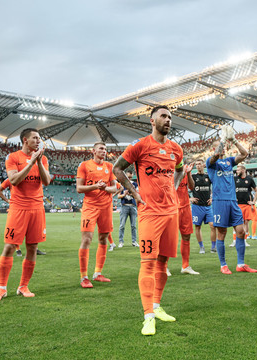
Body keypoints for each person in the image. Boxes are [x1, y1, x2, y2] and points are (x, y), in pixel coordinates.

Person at [113, 105, 184, 336]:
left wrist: (173, 187)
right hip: (149, 213)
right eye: (163, 116)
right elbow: (117, 169)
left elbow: (180, 170)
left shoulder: (176, 149)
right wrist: (134, 194)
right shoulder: (140, 146)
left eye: (170, 117)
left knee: (164, 262)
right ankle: (148, 316)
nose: (168, 120)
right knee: (148, 263)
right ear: (152, 121)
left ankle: (156, 305)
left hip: (171, 212)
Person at [0, 128, 50, 303]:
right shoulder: (13, 157)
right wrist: (31, 163)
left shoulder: (43, 159)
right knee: (9, 247)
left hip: (37, 208)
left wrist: (38, 162)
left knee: (32, 248)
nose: (38, 141)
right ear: (25, 140)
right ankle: (1, 288)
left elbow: (46, 181)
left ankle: (23, 286)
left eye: (39, 138)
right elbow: (14, 180)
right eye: (35, 138)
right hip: (18, 208)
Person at [206, 133, 257, 275]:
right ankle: (223, 265)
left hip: (233, 201)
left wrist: (234, 140)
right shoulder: (211, 163)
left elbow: (245, 153)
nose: (222, 148)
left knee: (240, 231)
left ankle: (241, 264)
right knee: (222, 233)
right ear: (214, 149)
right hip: (219, 201)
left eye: (223, 146)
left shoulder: (229, 161)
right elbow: (215, 157)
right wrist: (222, 141)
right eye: (219, 147)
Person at [76, 142, 117, 288]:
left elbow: (115, 188)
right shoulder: (85, 165)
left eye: (105, 149)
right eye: (101, 149)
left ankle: (98, 273)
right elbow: (79, 188)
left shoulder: (109, 167)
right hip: (90, 207)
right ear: (93, 151)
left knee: (103, 238)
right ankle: (84, 277)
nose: (104, 151)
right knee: (87, 239)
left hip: (106, 207)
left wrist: (106, 187)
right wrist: (95, 186)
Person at [0, 178, 47, 257]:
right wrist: (8, 201)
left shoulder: (29, 178)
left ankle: (35, 249)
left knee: (32, 231)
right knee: (17, 231)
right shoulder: (10, 179)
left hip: (31, 208)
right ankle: (18, 250)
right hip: (17, 209)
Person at [177, 160, 200, 275]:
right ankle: (164, 267)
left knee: (186, 236)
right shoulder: (167, 170)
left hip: (185, 207)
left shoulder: (185, 170)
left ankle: (185, 266)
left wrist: (189, 174)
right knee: (167, 238)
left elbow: (191, 187)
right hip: (172, 207)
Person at [230, 162, 257, 248]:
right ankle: (234, 241)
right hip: (237, 205)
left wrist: (253, 201)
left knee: (246, 223)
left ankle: (245, 240)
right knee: (235, 223)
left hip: (246, 205)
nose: (237, 171)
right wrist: (232, 198)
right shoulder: (234, 179)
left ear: (243, 170)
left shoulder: (249, 179)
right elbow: (230, 190)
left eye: (238, 169)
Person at [190, 158, 216, 254]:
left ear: (204, 165)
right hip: (197, 206)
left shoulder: (208, 176)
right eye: (196, 164)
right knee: (197, 227)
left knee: (213, 225)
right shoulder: (192, 176)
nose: (198, 166)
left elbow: (216, 187)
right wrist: (190, 198)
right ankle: (201, 247)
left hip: (208, 206)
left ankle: (213, 247)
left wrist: (212, 198)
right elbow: (183, 187)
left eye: (200, 164)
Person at [117, 170, 139, 248]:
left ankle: (134, 241)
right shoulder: (121, 184)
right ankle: (121, 242)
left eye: (130, 177)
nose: (129, 178)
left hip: (133, 206)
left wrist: (132, 194)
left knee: (133, 225)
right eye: (128, 177)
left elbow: (137, 195)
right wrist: (124, 194)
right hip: (124, 206)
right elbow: (119, 196)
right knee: (122, 225)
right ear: (125, 176)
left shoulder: (135, 184)